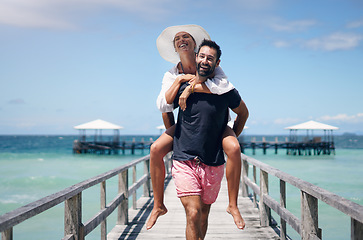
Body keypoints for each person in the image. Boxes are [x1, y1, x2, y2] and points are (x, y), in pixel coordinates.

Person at [146, 25, 246, 230]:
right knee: (155, 149)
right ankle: (158, 205)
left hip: (219, 124)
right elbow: (164, 107)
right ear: (175, 47)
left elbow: (222, 90)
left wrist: (191, 88)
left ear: (195, 45)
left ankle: (233, 205)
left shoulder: (215, 70)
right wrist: (178, 138)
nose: (181, 40)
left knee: (234, 148)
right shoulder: (172, 74)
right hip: (186, 126)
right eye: (177, 38)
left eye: (186, 37)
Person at [171, 39, 248, 239]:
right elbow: (165, 107)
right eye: (202, 56)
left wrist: (227, 136)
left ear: (217, 63)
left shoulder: (226, 90)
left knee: (204, 214)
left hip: (213, 162)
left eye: (210, 58)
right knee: (193, 212)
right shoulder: (183, 85)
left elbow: (244, 113)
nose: (205, 61)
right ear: (196, 57)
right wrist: (174, 137)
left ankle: (233, 205)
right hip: (185, 159)